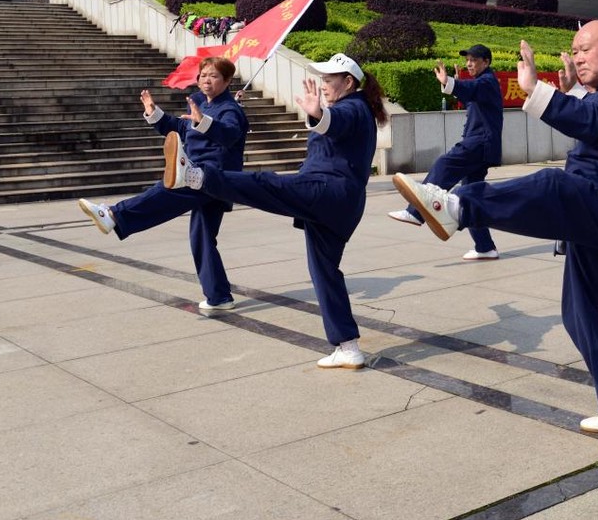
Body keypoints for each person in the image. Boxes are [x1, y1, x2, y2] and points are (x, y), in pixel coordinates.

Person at [392, 21, 598, 437]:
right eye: (575, 48)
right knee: (578, 314)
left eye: (587, 49)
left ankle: (458, 208)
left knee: (550, 184)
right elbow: (596, 119)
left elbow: (597, 120)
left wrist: (537, 91)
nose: (579, 55)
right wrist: (570, 90)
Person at [161, 53, 389, 369]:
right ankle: (348, 347)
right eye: (322, 79)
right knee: (325, 273)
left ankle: (198, 176)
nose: (323, 85)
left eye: (328, 79)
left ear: (348, 81)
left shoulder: (354, 108)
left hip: (328, 191)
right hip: (341, 204)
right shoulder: (354, 107)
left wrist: (319, 115)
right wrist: (321, 115)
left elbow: (336, 124)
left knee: (267, 184)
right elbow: (332, 127)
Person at [78, 56, 248, 312]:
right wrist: (153, 112)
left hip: (212, 177)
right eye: (203, 75)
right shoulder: (200, 103)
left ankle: (114, 214)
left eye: (213, 76)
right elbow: (181, 125)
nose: (206, 80)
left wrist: (204, 122)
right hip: (201, 175)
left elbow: (229, 134)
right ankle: (219, 296)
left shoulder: (230, 110)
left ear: (227, 80)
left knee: (168, 190)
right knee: (201, 237)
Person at [388, 44, 503, 260]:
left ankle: (415, 213)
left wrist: (450, 83)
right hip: (484, 146)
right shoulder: (483, 83)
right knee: (470, 197)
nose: (469, 63)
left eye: (474, 60)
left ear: (486, 62)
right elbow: (470, 93)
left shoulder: (487, 81)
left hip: (479, 143)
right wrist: (457, 83)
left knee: (444, 164)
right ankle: (485, 247)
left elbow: (471, 90)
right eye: (467, 59)